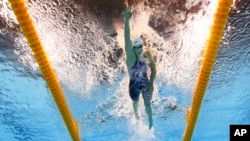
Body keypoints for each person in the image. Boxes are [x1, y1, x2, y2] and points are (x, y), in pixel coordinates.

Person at [123, 7, 156, 129]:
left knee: (148, 104)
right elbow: (126, 39)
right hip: (133, 85)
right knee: (135, 101)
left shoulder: (147, 54)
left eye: (140, 46)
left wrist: (151, 83)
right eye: (136, 47)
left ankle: (151, 122)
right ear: (133, 48)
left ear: (142, 45)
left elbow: (154, 68)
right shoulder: (131, 57)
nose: (138, 49)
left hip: (145, 81)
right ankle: (136, 114)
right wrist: (126, 21)